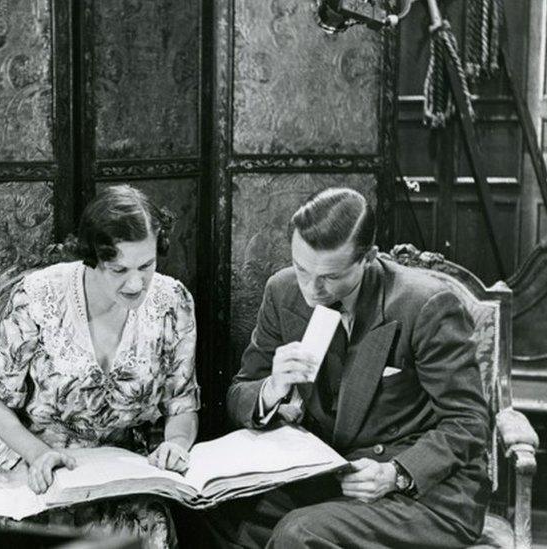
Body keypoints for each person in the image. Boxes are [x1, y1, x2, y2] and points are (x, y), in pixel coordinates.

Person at [205, 187, 489, 548]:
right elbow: (238, 393)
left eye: (330, 277)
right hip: (328, 477)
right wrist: (272, 389)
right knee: (209, 514)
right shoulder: (282, 291)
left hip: (423, 494)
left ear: (368, 257)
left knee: (298, 534)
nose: (312, 290)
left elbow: (469, 421)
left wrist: (396, 475)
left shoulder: (425, 305)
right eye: (302, 269)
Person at [0, 185, 200, 548]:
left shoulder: (173, 303)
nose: (136, 283)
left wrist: (176, 443)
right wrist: (37, 454)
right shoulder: (39, 295)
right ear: (92, 258)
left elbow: (182, 405)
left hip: (117, 472)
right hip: (31, 455)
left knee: (147, 532)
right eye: (119, 269)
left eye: (147, 266)